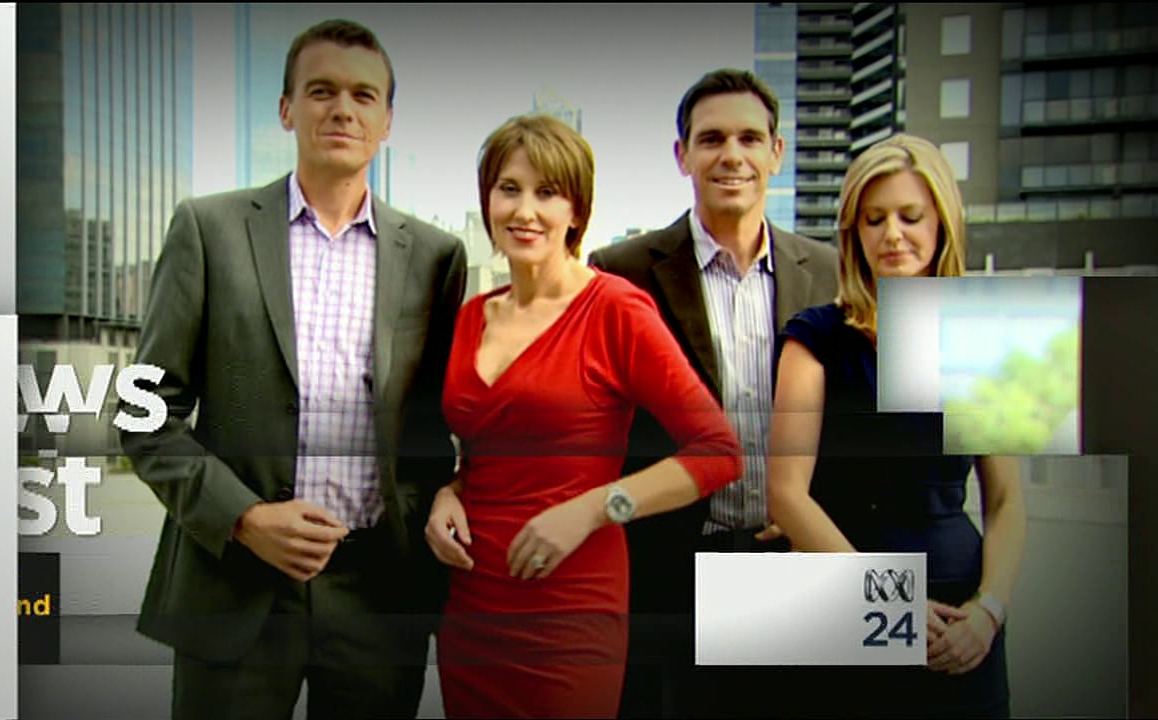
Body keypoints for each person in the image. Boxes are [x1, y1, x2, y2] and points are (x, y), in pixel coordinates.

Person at [119, 19, 467, 720]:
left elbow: (444, 425)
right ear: (286, 109)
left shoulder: (437, 257)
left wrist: (451, 493)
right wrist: (243, 517)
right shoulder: (208, 230)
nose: (343, 109)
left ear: (387, 121)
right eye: (321, 91)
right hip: (235, 585)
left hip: (378, 594)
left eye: (364, 96)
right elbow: (143, 414)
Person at [424, 114, 744, 719]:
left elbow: (718, 453)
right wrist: (450, 491)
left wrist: (593, 509)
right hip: (472, 604)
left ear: (576, 210)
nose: (524, 210)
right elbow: (493, 450)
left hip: (570, 610)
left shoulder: (616, 309)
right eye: (509, 189)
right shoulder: (471, 316)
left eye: (547, 192)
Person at [587, 68, 839, 718]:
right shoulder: (622, 271)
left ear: (776, 152)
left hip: (796, 562)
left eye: (750, 139)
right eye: (712, 139)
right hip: (673, 570)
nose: (732, 155)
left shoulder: (830, 272)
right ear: (683, 155)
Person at [768, 133, 1027, 718]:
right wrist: (889, 603)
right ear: (853, 232)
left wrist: (988, 612)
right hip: (841, 602)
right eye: (874, 219)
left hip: (962, 617)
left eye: (910, 216)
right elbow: (786, 494)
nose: (892, 234)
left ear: (942, 223)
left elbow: (1007, 500)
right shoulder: (812, 337)